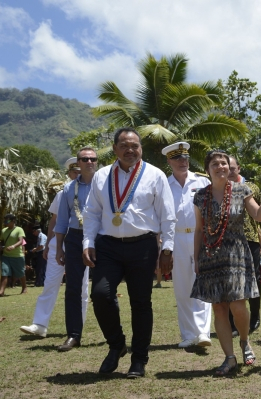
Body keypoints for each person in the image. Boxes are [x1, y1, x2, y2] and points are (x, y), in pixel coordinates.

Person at [82, 128, 177, 378]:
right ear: (114, 148)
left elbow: (168, 215)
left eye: (134, 145)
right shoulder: (102, 176)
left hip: (143, 246)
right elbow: (91, 212)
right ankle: (116, 345)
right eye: (124, 145)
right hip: (108, 245)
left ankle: (139, 359)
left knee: (141, 302)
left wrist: (167, 248)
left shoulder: (155, 175)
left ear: (141, 148)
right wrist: (87, 242)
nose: (130, 150)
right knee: (100, 295)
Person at [190, 149, 261, 376]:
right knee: (219, 308)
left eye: (224, 163)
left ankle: (244, 341)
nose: (221, 167)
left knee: (238, 305)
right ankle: (229, 359)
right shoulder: (201, 196)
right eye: (215, 164)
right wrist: (196, 257)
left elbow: (259, 216)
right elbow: (200, 229)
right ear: (208, 169)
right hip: (210, 256)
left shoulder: (242, 191)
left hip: (236, 255)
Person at [20, 161, 86, 338]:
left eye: (79, 170)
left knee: (82, 288)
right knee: (50, 284)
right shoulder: (63, 192)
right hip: (59, 243)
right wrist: (49, 244)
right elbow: (54, 221)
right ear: (69, 173)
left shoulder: (95, 191)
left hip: (81, 243)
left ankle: (77, 327)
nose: (77, 173)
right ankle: (40, 324)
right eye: (74, 171)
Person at [161, 142, 212, 348]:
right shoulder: (164, 184)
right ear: (169, 161)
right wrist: (165, 247)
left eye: (185, 158)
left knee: (202, 283)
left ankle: (203, 332)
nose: (182, 162)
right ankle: (188, 335)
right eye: (177, 158)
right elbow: (161, 217)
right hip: (177, 239)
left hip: (199, 237)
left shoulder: (201, 182)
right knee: (182, 288)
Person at [54, 147, 97, 352]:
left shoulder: (105, 185)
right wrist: (59, 248)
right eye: (85, 159)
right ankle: (73, 335)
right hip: (74, 237)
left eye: (93, 159)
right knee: (72, 288)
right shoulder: (69, 188)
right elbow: (62, 219)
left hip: (99, 239)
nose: (89, 162)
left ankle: (112, 334)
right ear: (77, 163)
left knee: (104, 288)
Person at [227, 156, 261, 335]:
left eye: (233, 168)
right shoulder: (221, 188)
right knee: (231, 281)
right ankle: (232, 322)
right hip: (229, 241)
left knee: (254, 278)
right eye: (227, 168)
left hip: (251, 239)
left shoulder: (252, 187)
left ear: (239, 168)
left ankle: (255, 316)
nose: (229, 171)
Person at [0, 214, 27, 296]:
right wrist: (1, 246)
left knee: (20, 273)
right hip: (6, 256)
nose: (5, 222)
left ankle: (24, 287)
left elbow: (20, 241)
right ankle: (1, 291)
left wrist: (13, 246)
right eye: (4, 220)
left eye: (7, 221)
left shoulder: (19, 229)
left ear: (13, 221)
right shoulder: (3, 230)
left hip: (17, 256)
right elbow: (1, 241)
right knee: (4, 272)